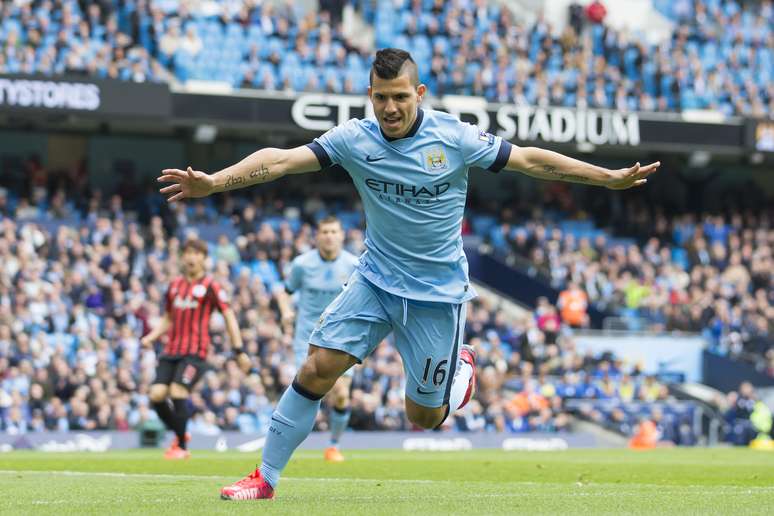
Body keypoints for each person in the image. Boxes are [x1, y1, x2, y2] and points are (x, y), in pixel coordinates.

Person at [157, 48, 659, 499]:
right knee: (315, 369)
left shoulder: (455, 138)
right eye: (381, 98)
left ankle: (459, 374)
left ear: (419, 93)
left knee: (421, 418)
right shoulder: (355, 138)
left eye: (400, 97)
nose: (390, 108)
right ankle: (266, 477)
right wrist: (215, 183)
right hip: (374, 280)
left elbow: (528, 158)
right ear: (369, 96)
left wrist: (606, 177)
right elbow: (284, 160)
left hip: (436, 296)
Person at [141, 238, 250, 459]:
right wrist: (151, 337)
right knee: (156, 394)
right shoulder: (174, 286)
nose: (191, 257)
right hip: (171, 351)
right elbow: (168, 317)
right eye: (187, 253)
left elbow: (228, 316)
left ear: (204, 258)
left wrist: (239, 350)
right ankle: (180, 433)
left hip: (195, 353)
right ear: (183, 257)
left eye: (196, 253)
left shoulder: (211, 286)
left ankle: (181, 447)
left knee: (178, 391)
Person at [276, 215, 359, 462]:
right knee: (306, 393)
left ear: (341, 235)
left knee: (341, 395)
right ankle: (286, 445)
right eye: (325, 232)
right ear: (317, 236)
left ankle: (333, 445)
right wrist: (286, 311)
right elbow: (284, 292)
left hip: (343, 337)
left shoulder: (354, 265)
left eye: (334, 231)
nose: (329, 236)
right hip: (307, 338)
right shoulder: (302, 264)